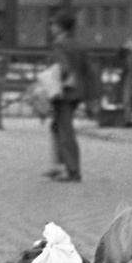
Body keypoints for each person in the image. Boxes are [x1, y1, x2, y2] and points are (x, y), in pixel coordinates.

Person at [45, 14, 88, 182]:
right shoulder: (78, 44)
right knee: (57, 127)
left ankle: (72, 170)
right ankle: (60, 166)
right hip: (76, 92)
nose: (51, 27)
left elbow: (62, 68)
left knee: (65, 130)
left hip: (63, 92)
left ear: (60, 27)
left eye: (54, 24)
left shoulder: (59, 44)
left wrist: (51, 84)